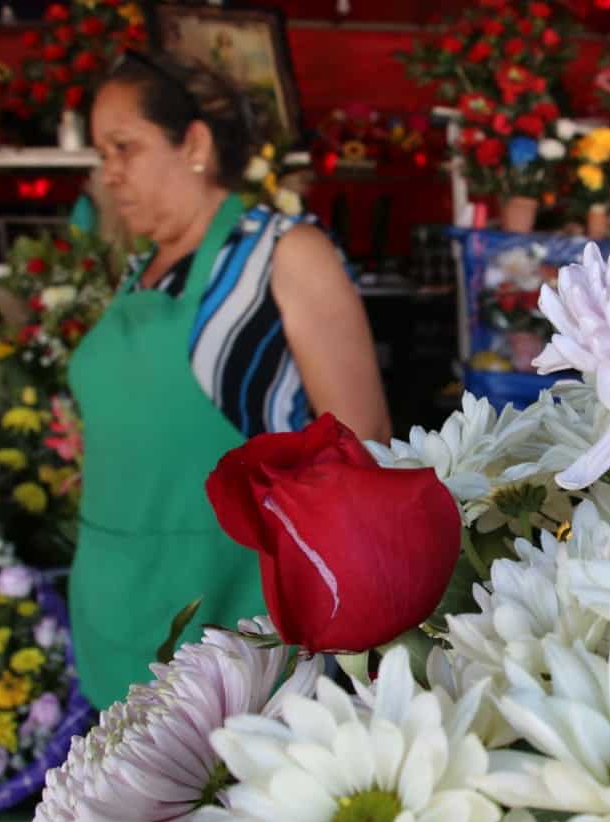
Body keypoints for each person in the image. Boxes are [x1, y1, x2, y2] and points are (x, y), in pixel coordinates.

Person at [70, 50, 390, 709]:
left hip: (231, 622)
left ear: (193, 142)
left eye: (124, 147)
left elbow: (363, 446)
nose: (109, 173)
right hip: (118, 615)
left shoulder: (281, 254)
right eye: (103, 152)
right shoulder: (144, 272)